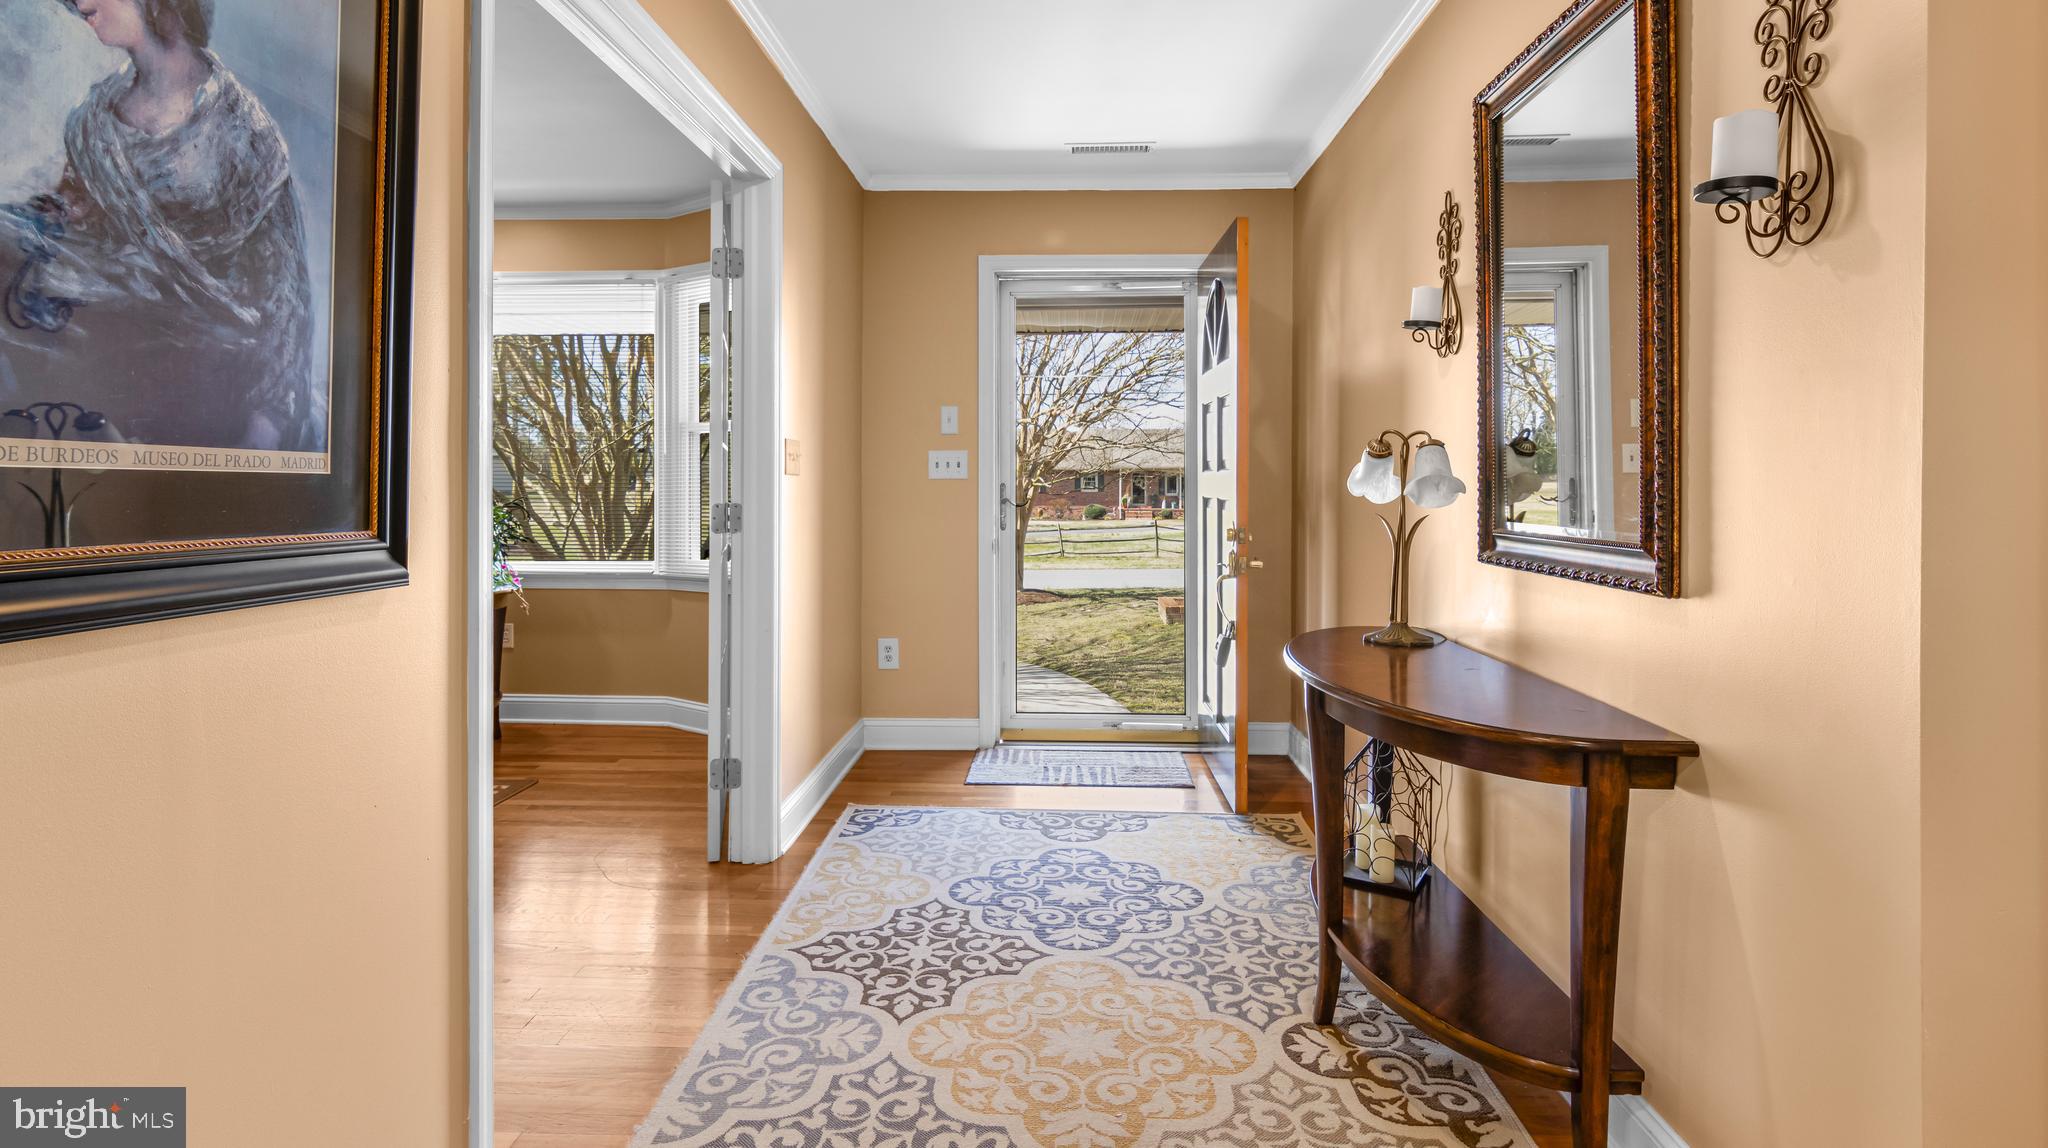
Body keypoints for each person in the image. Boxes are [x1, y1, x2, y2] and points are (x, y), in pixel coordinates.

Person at [0, 0, 319, 452]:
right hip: (106, 354)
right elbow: (79, 232)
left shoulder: (245, 133)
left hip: (208, 374)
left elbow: (285, 298)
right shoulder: (91, 122)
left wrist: (263, 429)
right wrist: (54, 215)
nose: (78, 2)